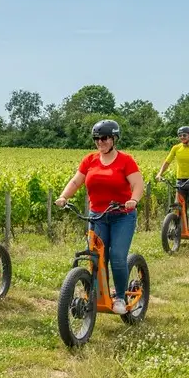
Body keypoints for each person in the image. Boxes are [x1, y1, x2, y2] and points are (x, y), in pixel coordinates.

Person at [54, 120, 145, 314]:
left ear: (114, 139)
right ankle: (95, 295)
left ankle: (120, 296)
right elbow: (76, 181)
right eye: (97, 139)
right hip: (97, 216)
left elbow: (138, 184)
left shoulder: (125, 160)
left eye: (104, 138)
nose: (100, 142)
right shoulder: (90, 160)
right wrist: (64, 196)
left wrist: (134, 200)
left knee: (117, 257)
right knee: (96, 258)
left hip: (122, 215)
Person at [155, 125, 189, 239]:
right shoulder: (176, 148)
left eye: (184, 135)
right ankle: (176, 228)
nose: (182, 137)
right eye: (180, 135)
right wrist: (160, 173)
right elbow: (167, 162)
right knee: (177, 207)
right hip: (180, 182)